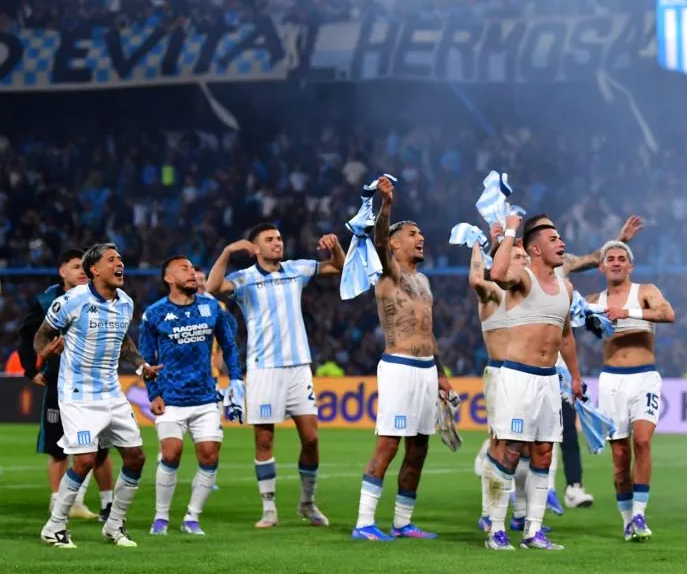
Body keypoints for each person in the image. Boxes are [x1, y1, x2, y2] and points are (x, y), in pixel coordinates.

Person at [205, 226, 345, 528]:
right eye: (269, 240)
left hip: (298, 368)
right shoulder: (245, 279)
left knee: (311, 438)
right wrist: (228, 252)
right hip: (263, 368)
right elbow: (213, 287)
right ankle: (268, 508)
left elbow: (339, 267)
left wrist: (335, 247)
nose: (277, 242)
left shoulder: (297, 269)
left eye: (279, 238)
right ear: (256, 248)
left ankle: (307, 503)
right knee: (265, 439)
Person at [35, 243, 161, 548]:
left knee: (136, 457)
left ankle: (114, 525)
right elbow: (41, 335)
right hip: (77, 393)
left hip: (112, 392)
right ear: (95, 270)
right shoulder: (72, 300)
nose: (120, 264)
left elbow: (124, 341)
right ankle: (54, 527)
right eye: (112, 260)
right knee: (84, 460)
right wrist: (45, 352)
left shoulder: (126, 303)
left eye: (120, 258)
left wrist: (141, 365)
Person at [351, 175, 457, 541]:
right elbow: (378, 239)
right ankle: (364, 523)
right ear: (395, 243)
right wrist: (388, 206)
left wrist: (441, 374)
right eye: (413, 234)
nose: (421, 238)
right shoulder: (387, 271)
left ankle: (402, 522)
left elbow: (429, 333)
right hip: (398, 367)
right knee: (389, 444)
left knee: (419, 447)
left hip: (427, 369)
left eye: (421, 233)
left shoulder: (424, 282)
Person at [520, 213, 644, 510]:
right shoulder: (519, 269)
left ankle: (570, 487)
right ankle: (495, 468)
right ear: (534, 240)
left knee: (563, 424)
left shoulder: (562, 267)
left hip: (556, 357)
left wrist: (620, 240)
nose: (558, 237)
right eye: (549, 232)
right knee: (522, 432)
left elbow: (593, 258)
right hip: (524, 356)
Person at [484, 212, 586, 551]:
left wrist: (575, 375)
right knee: (511, 451)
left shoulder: (566, 288)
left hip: (547, 382)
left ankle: (533, 531)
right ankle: (496, 530)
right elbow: (496, 273)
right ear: (536, 249)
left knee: (544, 453)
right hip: (518, 378)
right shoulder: (523, 278)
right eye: (554, 239)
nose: (562, 243)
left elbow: (567, 336)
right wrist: (511, 229)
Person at [140, 256, 244, 535]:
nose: (192, 273)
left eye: (193, 269)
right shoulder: (154, 313)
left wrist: (236, 379)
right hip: (171, 398)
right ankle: (161, 517)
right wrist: (154, 394)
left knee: (209, 456)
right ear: (169, 278)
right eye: (184, 269)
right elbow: (146, 360)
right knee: (171, 453)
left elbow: (229, 346)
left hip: (205, 398)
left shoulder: (212, 308)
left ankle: (191, 518)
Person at [585, 241, 675, 541]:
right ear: (602, 266)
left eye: (622, 259)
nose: (616, 262)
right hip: (611, 380)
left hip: (644, 377)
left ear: (630, 266)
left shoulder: (645, 291)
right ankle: (627, 521)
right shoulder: (594, 300)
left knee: (643, 441)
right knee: (620, 455)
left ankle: (639, 513)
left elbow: (668, 314)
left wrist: (626, 312)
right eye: (610, 259)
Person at [19, 249, 115, 522]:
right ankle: (59, 504)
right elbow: (27, 336)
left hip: (94, 384)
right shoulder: (48, 301)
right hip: (59, 384)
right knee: (57, 448)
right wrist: (30, 370)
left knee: (99, 449)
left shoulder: (102, 296)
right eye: (75, 267)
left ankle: (107, 505)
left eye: (85, 266)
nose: (82, 271)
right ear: (63, 272)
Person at [469, 227, 533, 532]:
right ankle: (488, 512)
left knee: (526, 447)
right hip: (500, 373)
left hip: (528, 375)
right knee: (501, 443)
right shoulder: (495, 292)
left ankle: (520, 513)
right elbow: (476, 280)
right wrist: (479, 247)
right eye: (516, 256)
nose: (523, 261)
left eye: (525, 256)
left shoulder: (530, 296)